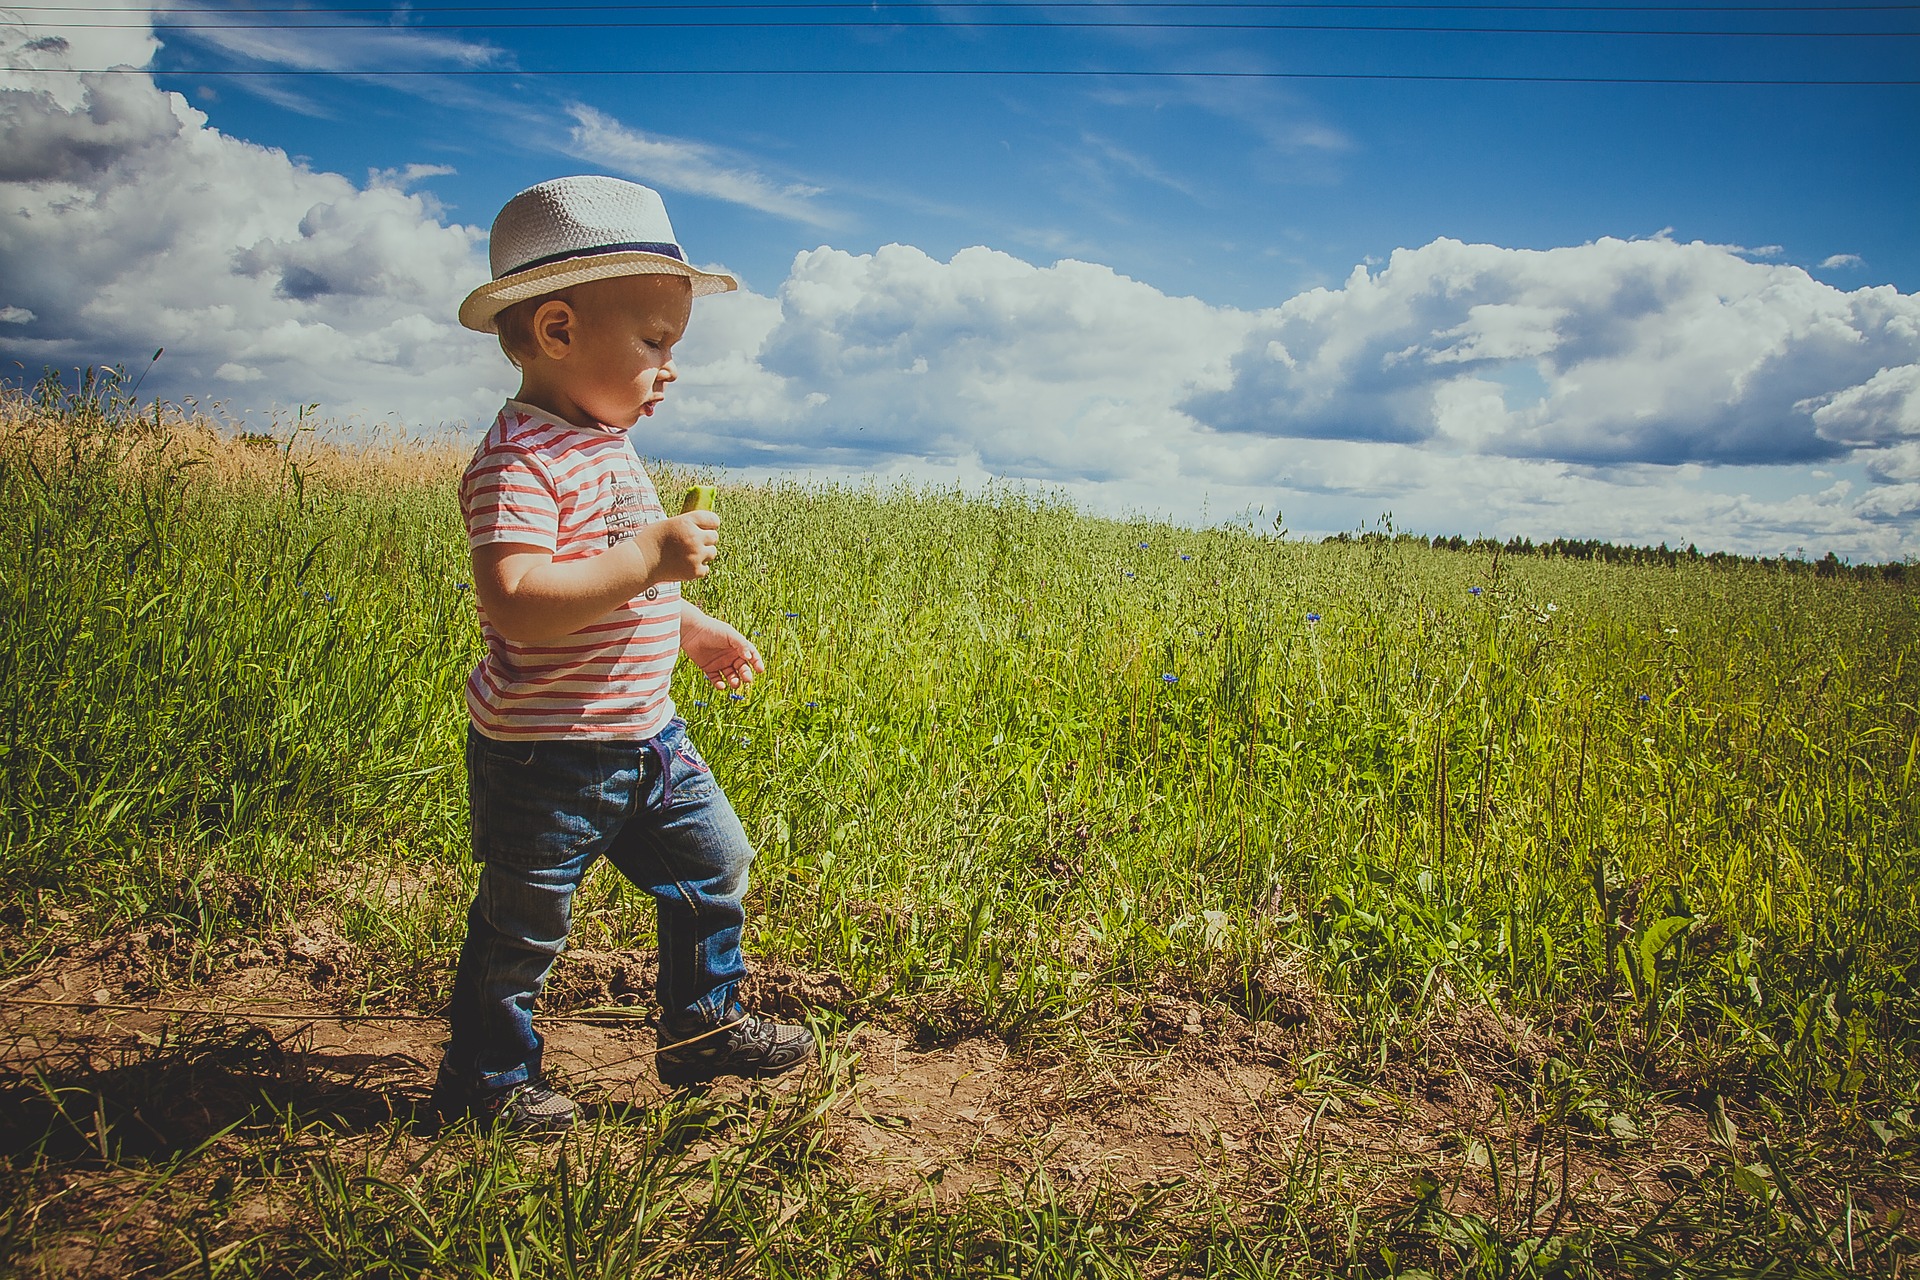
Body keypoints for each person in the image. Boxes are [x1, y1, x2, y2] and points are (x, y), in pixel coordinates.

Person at [431, 175, 814, 1134]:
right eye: (654, 343)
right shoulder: (518, 460)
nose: (669, 370)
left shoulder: (605, 446)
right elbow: (517, 602)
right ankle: (487, 1079)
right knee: (524, 925)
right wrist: (650, 554)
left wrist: (690, 626)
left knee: (717, 865)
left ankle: (701, 1026)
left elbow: (615, 588)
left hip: (649, 737)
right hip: (547, 754)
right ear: (558, 330)